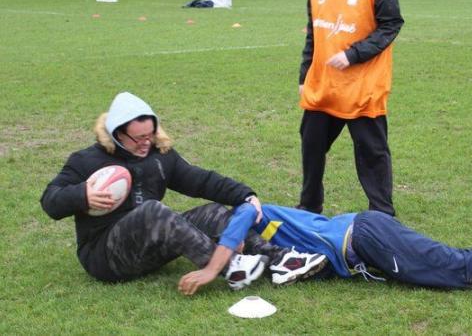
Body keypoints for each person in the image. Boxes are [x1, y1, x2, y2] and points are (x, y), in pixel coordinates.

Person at [41, 91, 327, 291]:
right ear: (117, 133)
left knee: (213, 212)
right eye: (138, 138)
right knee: (153, 212)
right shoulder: (87, 160)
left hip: (148, 250)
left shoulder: (159, 154)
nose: (146, 143)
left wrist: (245, 195)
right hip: (106, 257)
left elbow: (200, 181)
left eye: (150, 135)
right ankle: (232, 266)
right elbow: (50, 202)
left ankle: (280, 260)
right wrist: (81, 195)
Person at [179, 202, 472, 296]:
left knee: (461, 271)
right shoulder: (262, 235)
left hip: (364, 240)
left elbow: (235, 230)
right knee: (462, 257)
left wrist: (211, 270)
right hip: (365, 233)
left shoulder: (243, 213)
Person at [297, 0, 404, 216]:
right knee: (311, 148)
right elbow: (313, 32)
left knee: (372, 154)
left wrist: (352, 54)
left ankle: (383, 214)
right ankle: (309, 207)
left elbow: (391, 25)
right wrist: (304, 75)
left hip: (362, 87)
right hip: (323, 87)